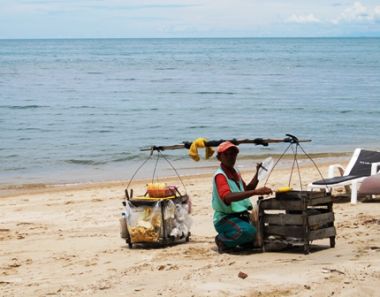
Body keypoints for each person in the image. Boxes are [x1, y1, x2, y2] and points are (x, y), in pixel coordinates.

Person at [212, 141, 273, 253]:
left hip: (240, 216)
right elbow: (227, 197)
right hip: (225, 218)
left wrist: (258, 174)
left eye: (233, 154)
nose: (231, 157)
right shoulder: (220, 176)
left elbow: (246, 189)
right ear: (220, 157)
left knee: (260, 232)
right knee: (248, 232)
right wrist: (255, 192)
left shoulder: (235, 172)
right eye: (227, 154)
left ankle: (240, 242)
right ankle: (222, 240)